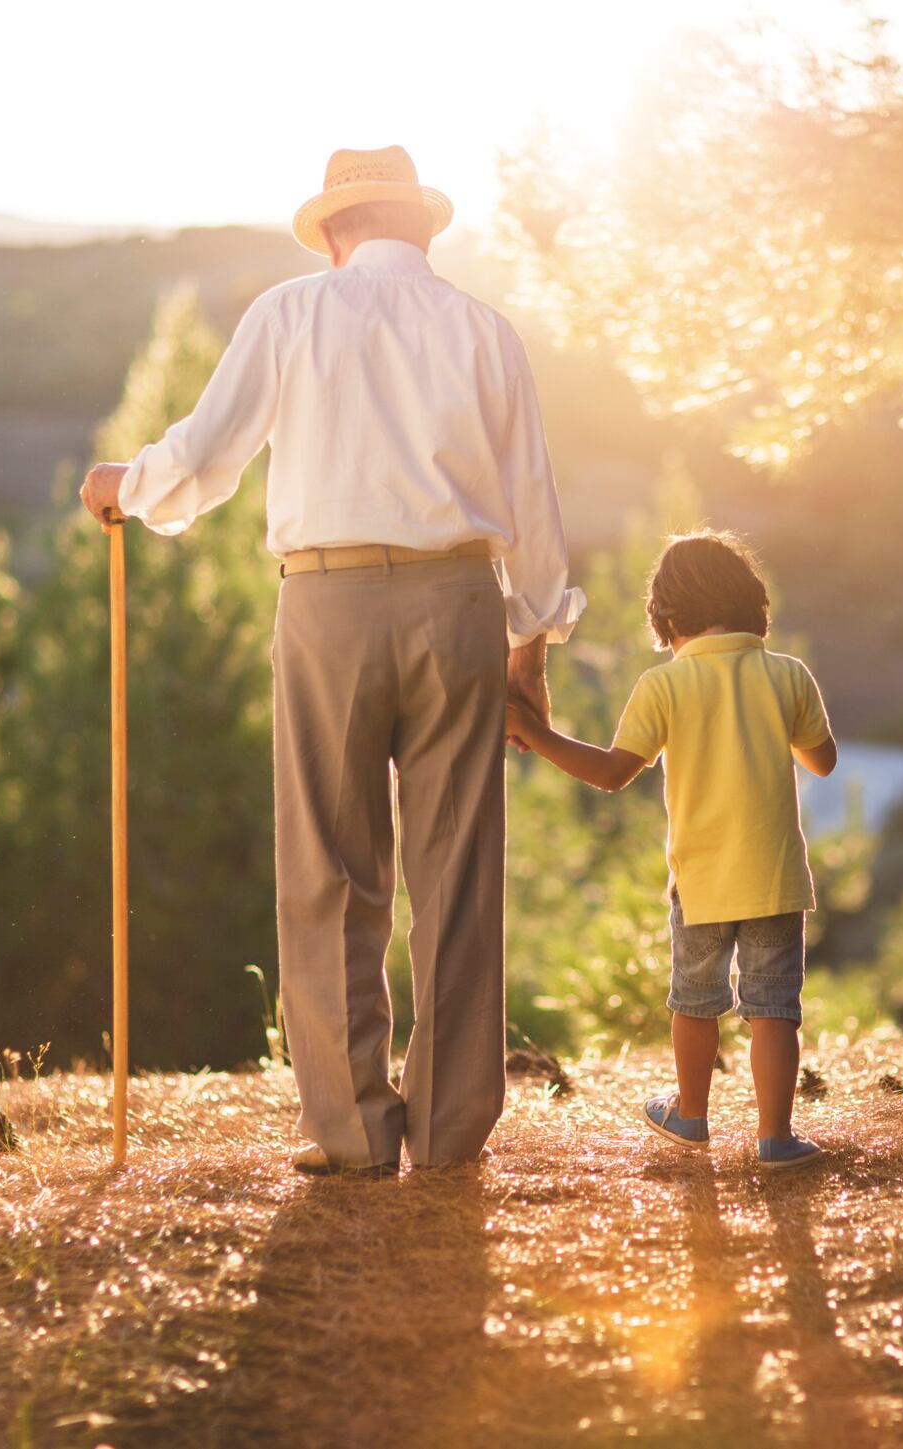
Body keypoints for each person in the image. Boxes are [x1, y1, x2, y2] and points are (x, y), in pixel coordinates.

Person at [78, 146, 583, 1177]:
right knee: (457, 870)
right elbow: (532, 503)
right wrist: (528, 647)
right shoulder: (486, 331)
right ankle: (447, 1134)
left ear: (337, 231)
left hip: (327, 602)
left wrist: (125, 484)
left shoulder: (290, 313)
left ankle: (352, 1131)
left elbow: (207, 458)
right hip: (460, 604)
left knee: (328, 867)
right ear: (420, 227)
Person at [505, 530, 836, 1170]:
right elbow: (822, 762)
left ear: (669, 619)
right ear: (751, 607)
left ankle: (690, 1114)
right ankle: (776, 1138)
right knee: (773, 1008)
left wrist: (533, 732)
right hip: (774, 878)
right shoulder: (788, 674)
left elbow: (610, 774)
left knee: (695, 1001)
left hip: (703, 879)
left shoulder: (664, 685)